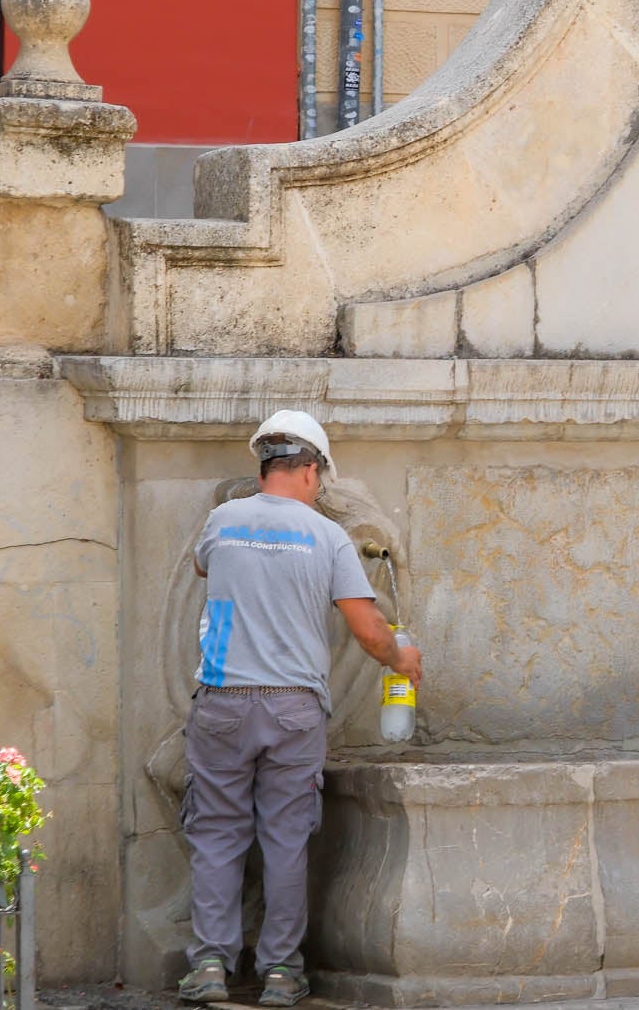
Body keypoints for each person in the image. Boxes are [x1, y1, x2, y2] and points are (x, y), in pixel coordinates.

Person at [177, 411, 423, 1006]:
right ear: (311, 470)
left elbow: (203, 565)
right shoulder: (328, 537)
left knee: (216, 834)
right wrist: (402, 659)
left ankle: (210, 966)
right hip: (293, 708)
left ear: (265, 465)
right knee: (286, 839)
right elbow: (368, 630)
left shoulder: (223, 521)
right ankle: (281, 974)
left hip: (222, 702)